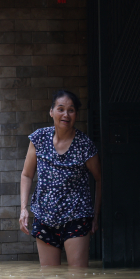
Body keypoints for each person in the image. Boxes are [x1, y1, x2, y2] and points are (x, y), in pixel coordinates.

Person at [18, 90, 102, 267]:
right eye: (61, 109)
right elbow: (26, 174)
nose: (66, 114)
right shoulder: (39, 138)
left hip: (77, 217)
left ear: (76, 115)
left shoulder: (84, 145)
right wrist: (23, 209)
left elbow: (99, 179)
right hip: (45, 217)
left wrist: (95, 216)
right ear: (51, 112)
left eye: (71, 110)